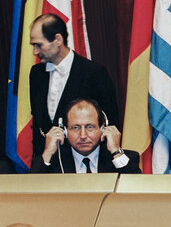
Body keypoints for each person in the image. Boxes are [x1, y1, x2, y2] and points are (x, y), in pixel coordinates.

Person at [29, 13, 118, 157]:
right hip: (47, 164)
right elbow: (38, 122)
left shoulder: (94, 73)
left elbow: (110, 123)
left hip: (84, 164)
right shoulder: (36, 73)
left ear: (58, 40)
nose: (35, 51)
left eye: (39, 45)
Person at [29, 98, 140, 174]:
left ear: (102, 129)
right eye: (76, 127)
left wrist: (116, 151)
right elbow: (30, 195)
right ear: (65, 131)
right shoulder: (53, 160)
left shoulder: (126, 158)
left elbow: (137, 193)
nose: (83, 135)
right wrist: (48, 152)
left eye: (90, 127)